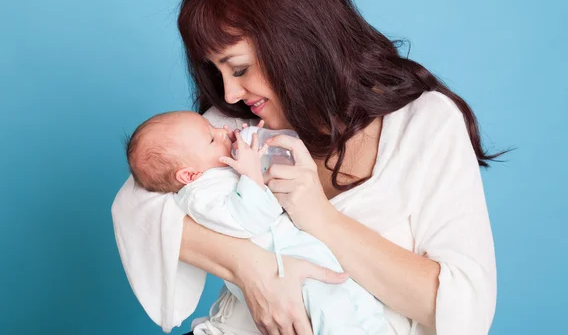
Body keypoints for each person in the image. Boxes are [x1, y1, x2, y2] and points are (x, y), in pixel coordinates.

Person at [112, 0, 499, 335]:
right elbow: (134, 207)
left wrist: (318, 215)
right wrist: (251, 268)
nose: (228, 94)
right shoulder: (230, 130)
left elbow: (465, 309)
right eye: (217, 72)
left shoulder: (423, 125)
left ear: (295, 43)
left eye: (240, 69)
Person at [125, 110, 388, 334]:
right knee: (334, 316)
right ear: (189, 174)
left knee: (359, 310)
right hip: (288, 279)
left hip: (303, 259)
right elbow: (248, 220)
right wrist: (251, 172)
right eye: (212, 138)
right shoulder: (198, 197)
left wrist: (256, 146)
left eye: (214, 127)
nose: (223, 131)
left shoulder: (216, 172)